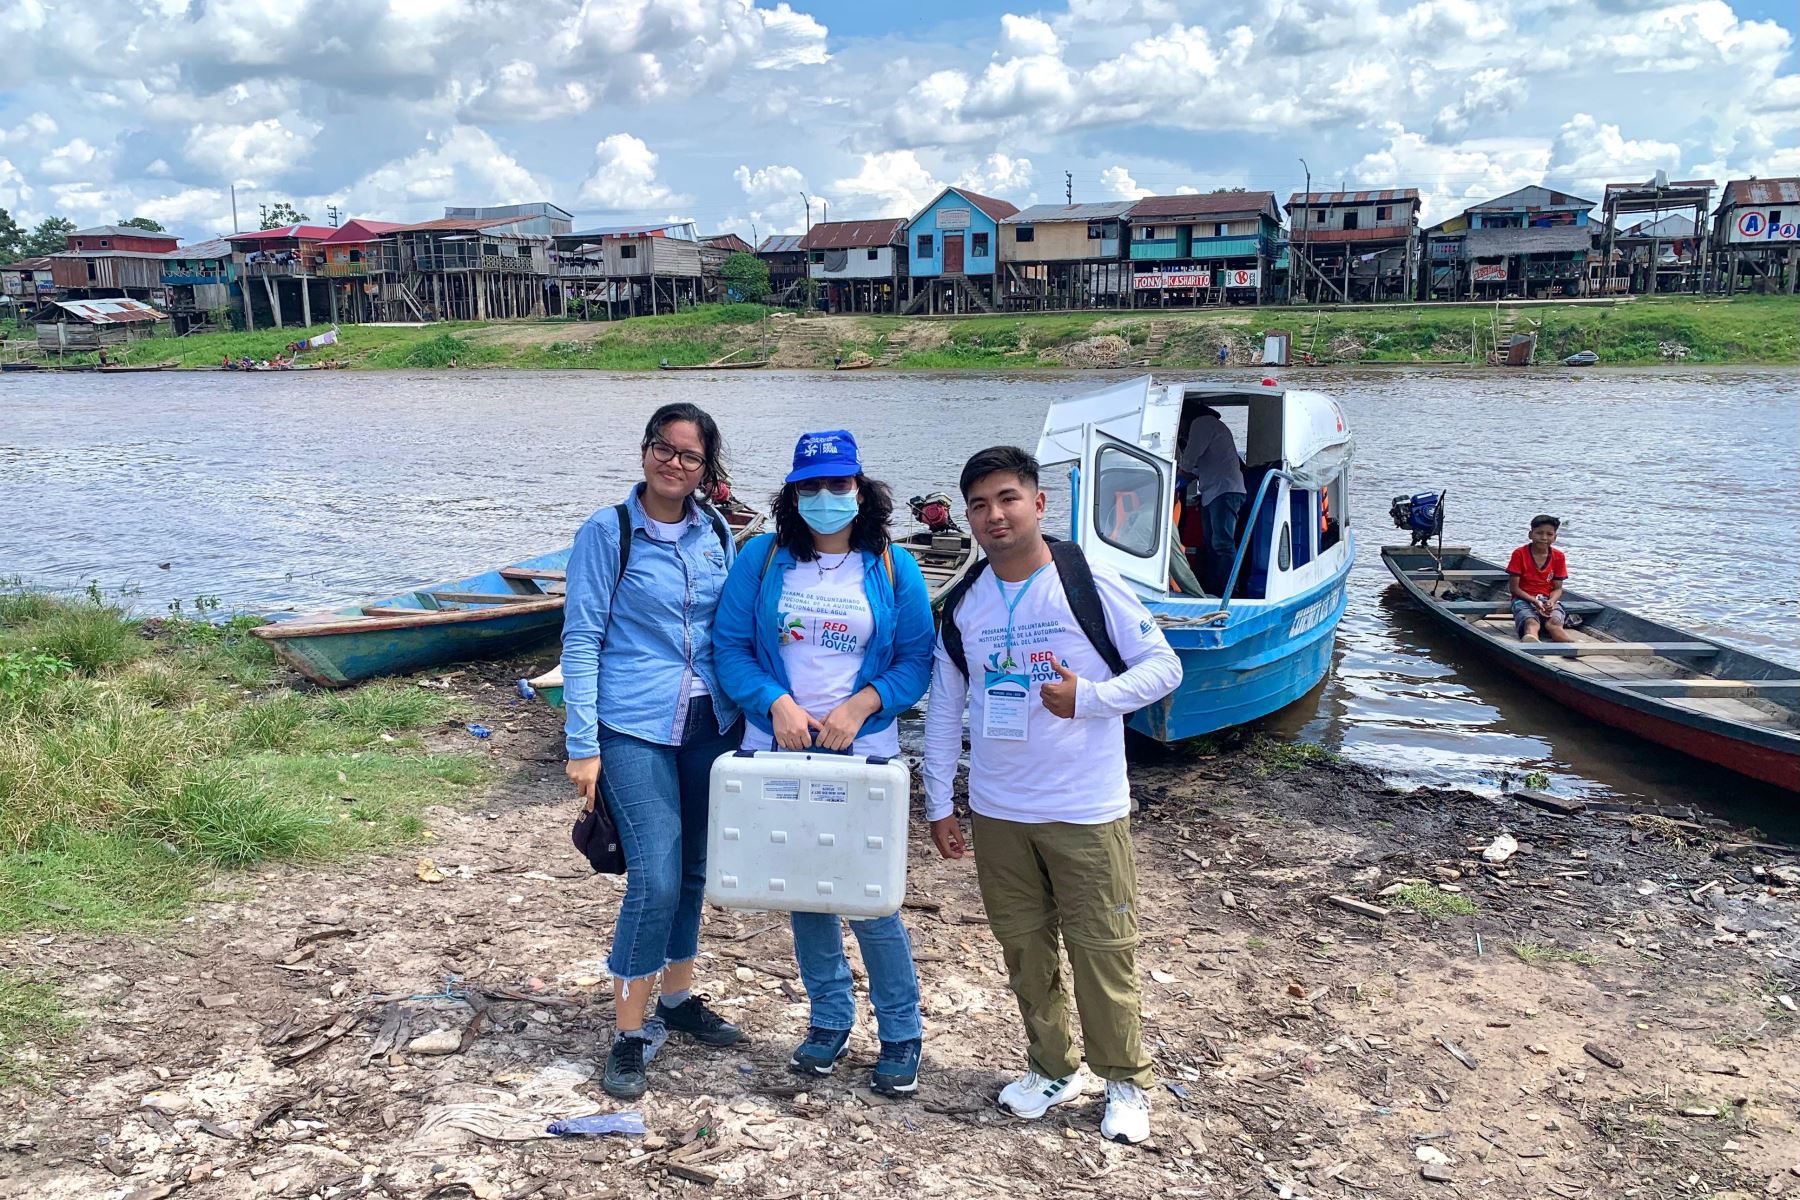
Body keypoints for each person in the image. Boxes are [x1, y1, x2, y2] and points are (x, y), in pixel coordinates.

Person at [923, 446, 1183, 1145]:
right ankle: (1050, 1066)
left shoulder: (1086, 578)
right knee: (1024, 949)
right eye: (979, 505)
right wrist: (939, 800)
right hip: (1000, 810)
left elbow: (1164, 667)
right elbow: (948, 705)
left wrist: (1092, 699)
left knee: (1103, 949)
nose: (994, 515)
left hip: (1084, 807)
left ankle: (1125, 1080)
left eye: (1007, 498)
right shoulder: (967, 602)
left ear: (1039, 504)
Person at [713, 429, 935, 1097]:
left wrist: (864, 703)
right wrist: (773, 702)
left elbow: (915, 662)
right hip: (779, 749)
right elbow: (730, 648)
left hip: (862, 754)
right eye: (810, 486)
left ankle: (900, 1030)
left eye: (839, 484)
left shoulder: (894, 564)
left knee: (869, 897)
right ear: (792, 494)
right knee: (805, 888)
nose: (826, 497)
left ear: (861, 490)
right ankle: (830, 1018)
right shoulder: (763, 557)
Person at [561, 402, 746, 1101]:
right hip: (634, 724)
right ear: (645, 452)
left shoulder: (717, 531)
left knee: (696, 868)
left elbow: (727, 628)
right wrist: (583, 744)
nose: (675, 464)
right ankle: (630, 1032)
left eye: (690, 457)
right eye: (664, 450)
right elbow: (581, 638)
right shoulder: (607, 532)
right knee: (655, 877)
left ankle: (676, 998)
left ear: (706, 469)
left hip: (711, 723)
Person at [1177, 406, 1247, 596]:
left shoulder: (1203, 424)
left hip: (1224, 491)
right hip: (1214, 492)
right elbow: (1201, 467)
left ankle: (1230, 591)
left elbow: (1189, 460)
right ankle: (1214, 589)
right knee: (1212, 545)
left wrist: (1176, 478)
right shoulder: (1213, 427)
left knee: (1222, 544)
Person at [1507, 514, 1572, 643]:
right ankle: (1532, 644)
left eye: (1549, 534)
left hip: (1547, 600)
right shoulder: (1519, 554)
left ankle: (1571, 647)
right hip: (1523, 599)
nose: (1543, 538)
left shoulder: (1558, 556)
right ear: (1530, 534)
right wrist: (1535, 602)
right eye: (1539, 533)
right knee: (1531, 622)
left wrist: (1551, 602)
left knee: (1554, 623)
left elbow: (1558, 588)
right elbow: (1514, 589)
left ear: (1555, 537)